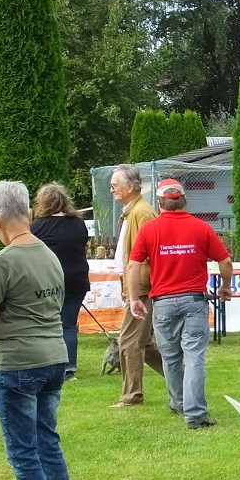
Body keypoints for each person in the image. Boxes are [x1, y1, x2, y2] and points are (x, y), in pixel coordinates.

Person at [0, 181, 72, 480]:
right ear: (29, 215)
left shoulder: (1, 262)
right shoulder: (48, 254)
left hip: (17, 364)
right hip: (53, 357)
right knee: (47, 440)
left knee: (23, 452)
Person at [126, 178, 232, 430]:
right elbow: (225, 262)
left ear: (160, 202)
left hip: (162, 302)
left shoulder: (149, 230)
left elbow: (133, 266)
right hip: (194, 300)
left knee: (171, 356)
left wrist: (133, 299)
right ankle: (195, 414)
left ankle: (179, 403)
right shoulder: (201, 228)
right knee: (194, 356)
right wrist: (225, 286)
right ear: (183, 200)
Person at [110, 164, 165, 408]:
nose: (112, 189)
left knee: (130, 342)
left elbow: (151, 253)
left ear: (130, 187)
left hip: (142, 287)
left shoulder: (142, 212)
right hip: (139, 286)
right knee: (144, 342)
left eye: (115, 185)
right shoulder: (134, 211)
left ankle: (132, 396)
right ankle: (183, 377)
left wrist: (136, 289)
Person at [31, 183, 90, 381]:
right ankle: (69, 368)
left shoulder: (38, 226)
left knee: (48, 324)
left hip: (50, 282)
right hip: (77, 281)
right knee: (68, 325)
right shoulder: (78, 223)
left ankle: (48, 363)